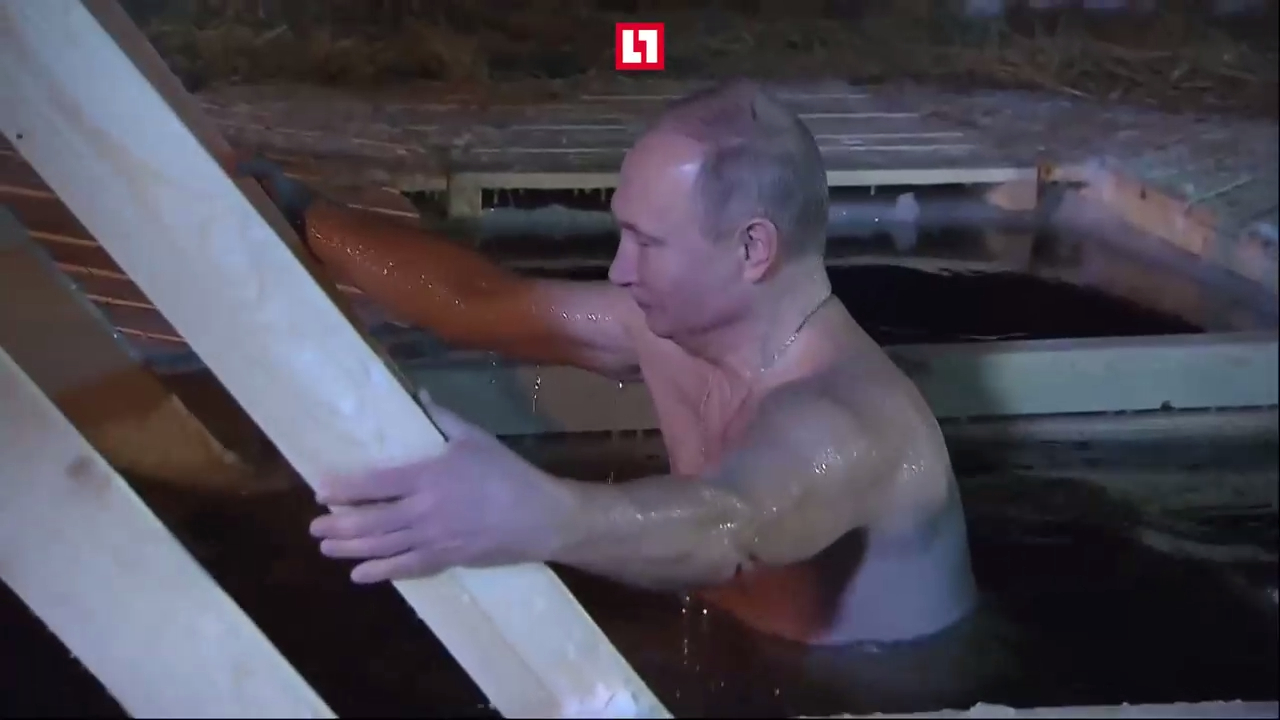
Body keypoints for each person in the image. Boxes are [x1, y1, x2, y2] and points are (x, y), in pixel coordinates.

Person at [240, 79, 1003, 711]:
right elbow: (479, 302)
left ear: (752, 248)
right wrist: (300, 215)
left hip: (861, 697)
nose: (618, 270)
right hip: (730, 651)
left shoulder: (850, 421)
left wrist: (538, 514)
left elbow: (730, 530)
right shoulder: (668, 330)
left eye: (648, 243)